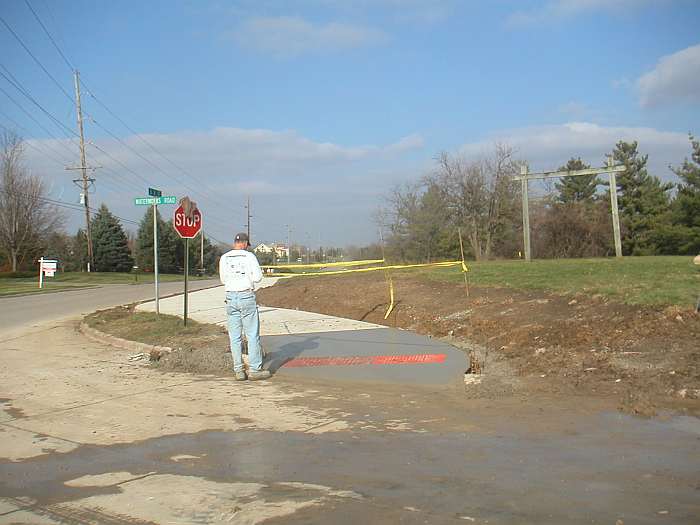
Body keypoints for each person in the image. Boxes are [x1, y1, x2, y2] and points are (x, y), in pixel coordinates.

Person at [218, 232, 271, 381]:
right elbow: (258, 277)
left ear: (235, 243)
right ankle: (255, 369)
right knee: (252, 334)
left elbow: (223, 279)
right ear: (245, 243)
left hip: (230, 297)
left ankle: (239, 370)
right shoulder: (249, 257)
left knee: (234, 336)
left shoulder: (224, 258)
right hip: (246, 296)